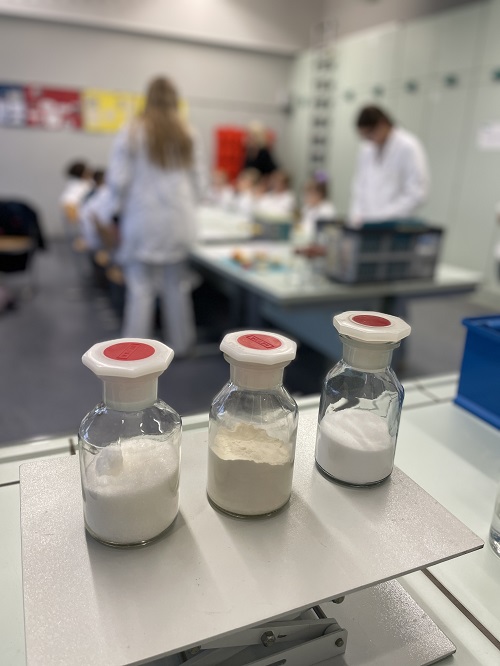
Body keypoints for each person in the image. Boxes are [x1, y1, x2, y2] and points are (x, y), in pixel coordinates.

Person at [94, 76, 205, 355]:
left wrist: (111, 212)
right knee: (176, 287)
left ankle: (134, 353)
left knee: (140, 288)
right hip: (179, 221)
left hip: (143, 220)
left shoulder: (133, 131)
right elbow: (199, 182)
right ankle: (182, 344)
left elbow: (118, 180)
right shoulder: (187, 132)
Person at [349, 106, 429, 226]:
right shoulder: (367, 149)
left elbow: (417, 193)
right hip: (366, 223)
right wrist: (356, 216)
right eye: (365, 137)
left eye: (370, 135)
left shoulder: (408, 146)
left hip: (395, 224)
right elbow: (359, 186)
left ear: (383, 124)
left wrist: (384, 216)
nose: (369, 140)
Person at [299, 177, 336, 242]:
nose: (306, 197)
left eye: (309, 193)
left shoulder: (327, 209)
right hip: (306, 240)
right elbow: (302, 226)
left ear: (319, 194)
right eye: (306, 193)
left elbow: (323, 232)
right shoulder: (307, 208)